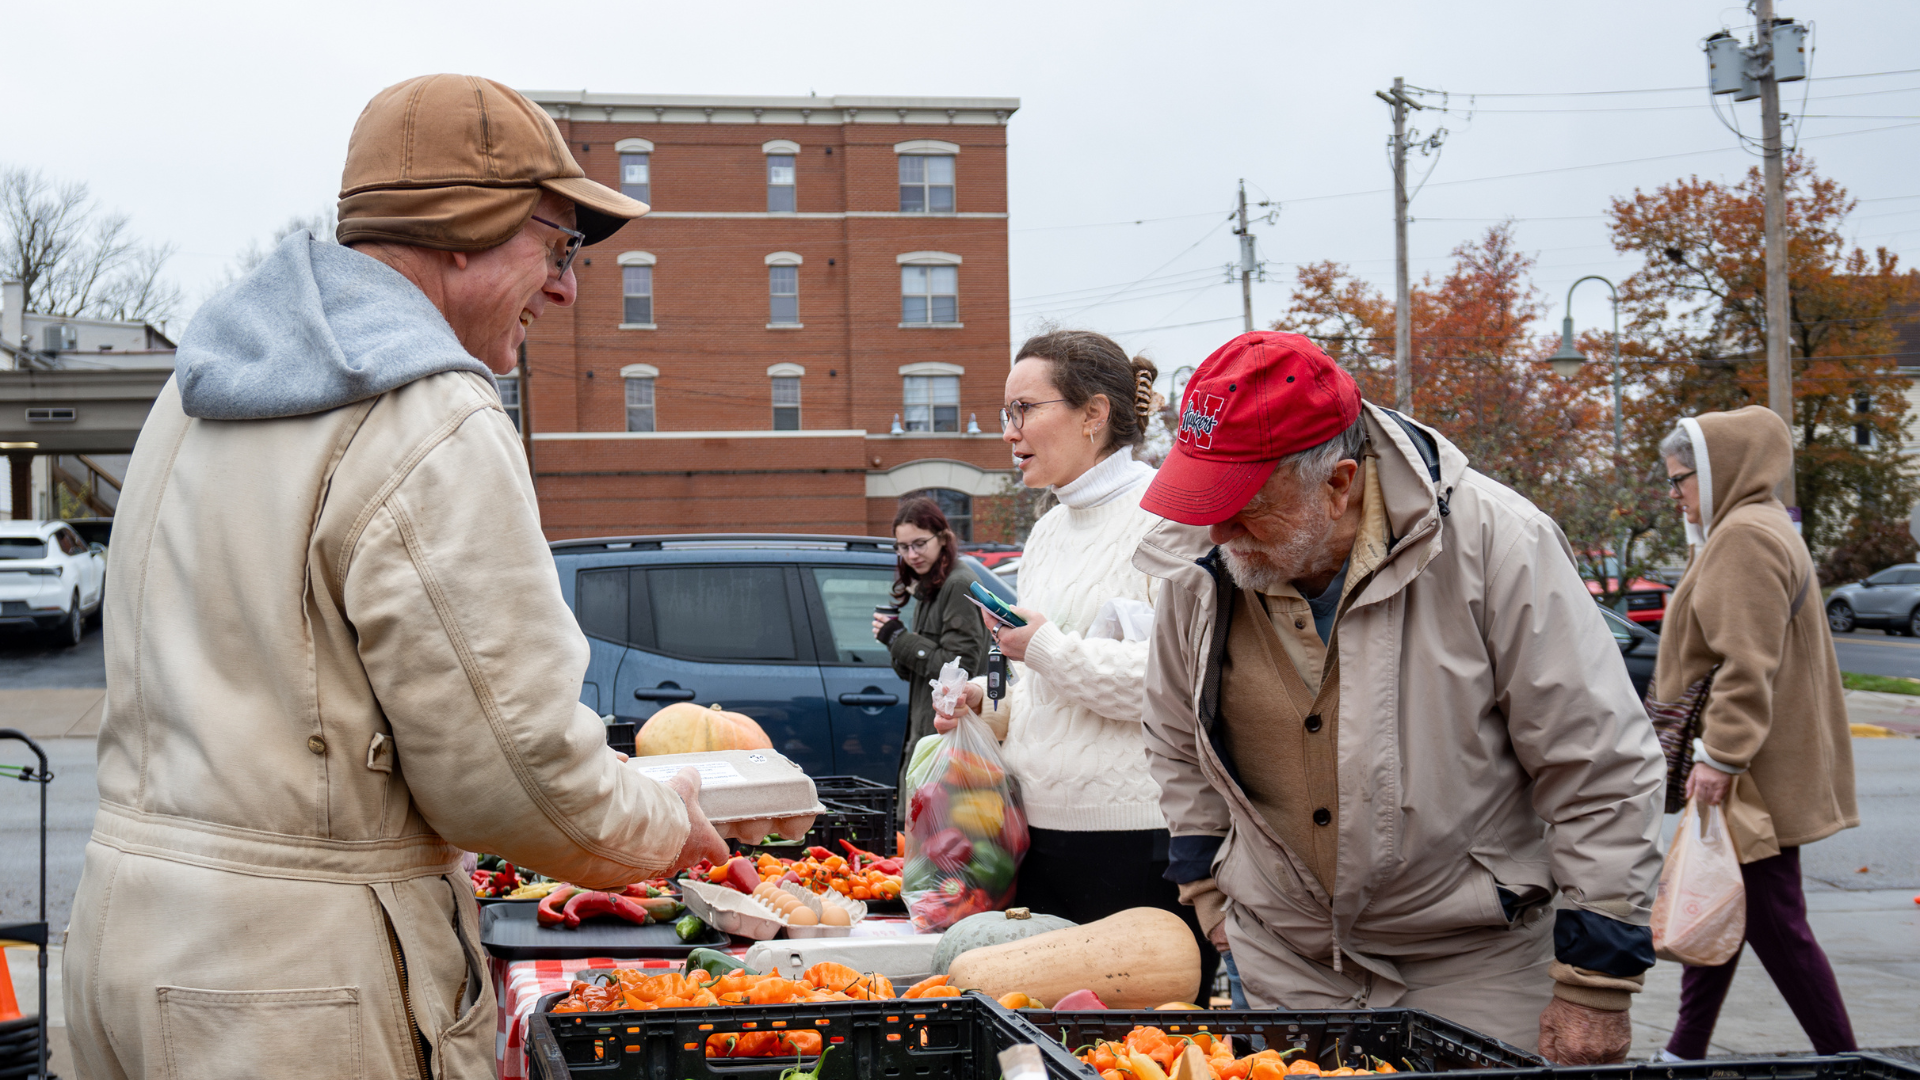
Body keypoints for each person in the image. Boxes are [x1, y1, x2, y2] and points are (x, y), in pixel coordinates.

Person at [62, 76, 797, 1080]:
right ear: (465, 227)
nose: (567, 286)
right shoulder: (430, 411)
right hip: (295, 989)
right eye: (558, 244)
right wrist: (673, 829)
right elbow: (509, 771)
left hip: (121, 942)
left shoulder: (193, 399)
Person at [1132, 331, 1665, 1060]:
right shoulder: (1204, 564)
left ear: (1339, 482)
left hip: (1474, 960)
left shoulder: (1498, 543)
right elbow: (1172, 738)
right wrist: (1208, 892)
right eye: (1206, 499)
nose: (1218, 528)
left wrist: (1595, 984)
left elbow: (1598, 764)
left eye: (1244, 503)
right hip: (1286, 962)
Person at [934, 330, 1219, 1003]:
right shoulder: (1050, 529)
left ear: (1093, 414)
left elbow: (1180, 683)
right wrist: (983, 700)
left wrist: (1043, 648)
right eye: (1006, 414)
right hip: (1039, 838)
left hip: (1139, 843)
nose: (1011, 432)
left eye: (1025, 410)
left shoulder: (1168, 523)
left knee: (1138, 1055)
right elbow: (1040, 682)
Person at [1653, 407, 1859, 1060]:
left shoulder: (1743, 537)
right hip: (1757, 773)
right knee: (1721, 908)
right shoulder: (1759, 526)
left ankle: (1846, 1061)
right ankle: (1683, 1053)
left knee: (1774, 924)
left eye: (1681, 478)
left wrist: (1721, 758)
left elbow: (1746, 664)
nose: (1675, 494)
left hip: (1752, 781)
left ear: (1720, 472)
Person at [873, 496, 990, 812]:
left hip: (951, 740)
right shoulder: (932, 586)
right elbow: (918, 671)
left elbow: (959, 669)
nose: (911, 554)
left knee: (938, 836)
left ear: (943, 537)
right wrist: (894, 640)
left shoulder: (958, 583)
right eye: (903, 546)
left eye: (919, 544)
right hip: (930, 732)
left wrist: (899, 639)